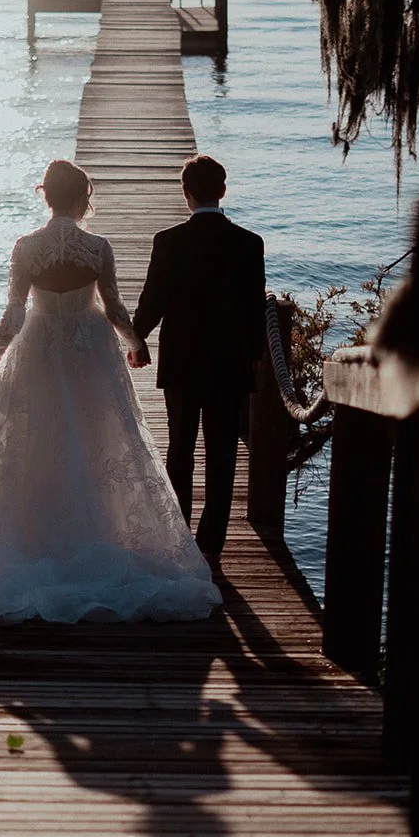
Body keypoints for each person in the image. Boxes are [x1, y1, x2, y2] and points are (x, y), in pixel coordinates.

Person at [0, 159, 221, 625]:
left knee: (37, 444)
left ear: (46, 196)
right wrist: (136, 344)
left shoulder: (26, 248)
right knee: (96, 442)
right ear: (83, 197)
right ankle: (96, 538)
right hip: (88, 353)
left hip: (39, 351)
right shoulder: (97, 247)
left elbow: (15, 315)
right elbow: (116, 308)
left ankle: (39, 542)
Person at [130, 155, 267, 580]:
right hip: (230, 363)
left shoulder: (168, 241)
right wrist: (256, 356)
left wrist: (137, 340)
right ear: (222, 191)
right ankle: (210, 548)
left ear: (185, 193)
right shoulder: (250, 243)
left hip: (183, 361)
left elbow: (153, 300)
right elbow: (254, 308)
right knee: (223, 453)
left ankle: (179, 540)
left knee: (181, 449)